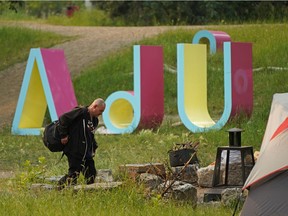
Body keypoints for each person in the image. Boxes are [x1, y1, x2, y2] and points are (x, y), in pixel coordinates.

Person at [57, 98, 106, 187]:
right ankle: (61, 187)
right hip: (74, 149)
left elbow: (90, 135)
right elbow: (63, 118)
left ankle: (90, 191)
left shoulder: (94, 120)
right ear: (95, 106)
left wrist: (93, 147)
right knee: (74, 173)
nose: (100, 114)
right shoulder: (80, 112)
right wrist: (63, 135)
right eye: (100, 111)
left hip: (86, 151)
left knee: (91, 172)